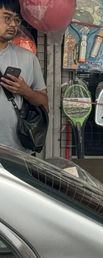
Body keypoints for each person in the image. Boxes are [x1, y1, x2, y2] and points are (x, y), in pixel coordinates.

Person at [0, 0, 47, 152]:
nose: (13, 24)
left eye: (16, 19)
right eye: (7, 17)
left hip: (17, 150)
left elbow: (44, 102)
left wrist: (25, 91)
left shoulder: (28, 58)